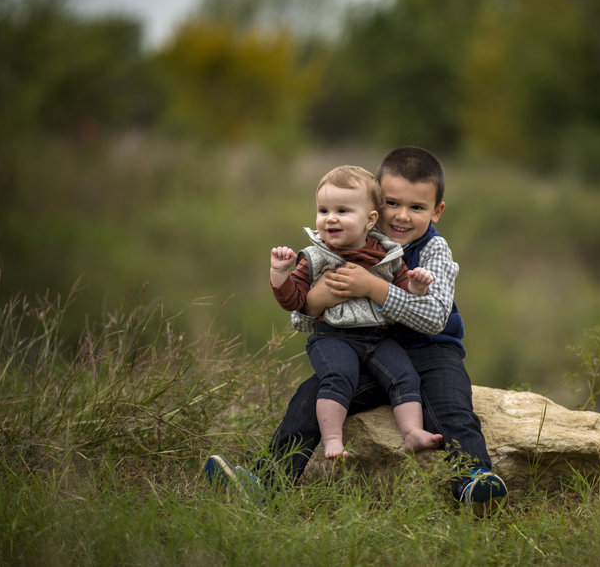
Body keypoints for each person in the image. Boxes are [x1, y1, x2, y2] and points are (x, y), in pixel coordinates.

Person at [206, 147, 507, 515]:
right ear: (375, 203)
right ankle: (265, 484)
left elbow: (435, 318)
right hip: (373, 350)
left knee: (451, 406)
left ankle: (475, 482)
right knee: (311, 395)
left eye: (417, 207)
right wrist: (315, 300)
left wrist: (372, 287)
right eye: (393, 203)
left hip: (431, 351)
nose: (401, 215)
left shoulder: (434, 250)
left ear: (437, 211)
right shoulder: (347, 241)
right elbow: (302, 319)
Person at [269, 164, 443, 459]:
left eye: (342, 211)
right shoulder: (314, 257)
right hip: (333, 337)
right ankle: (333, 439)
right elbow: (293, 302)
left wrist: (416, 287)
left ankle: (412, 432)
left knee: (405, 375)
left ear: (370, 220)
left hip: (378, 338)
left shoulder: (388, 256)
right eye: (323, 211)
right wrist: (279, 275)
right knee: (339, 375)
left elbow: (401, 295)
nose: (330, 219)